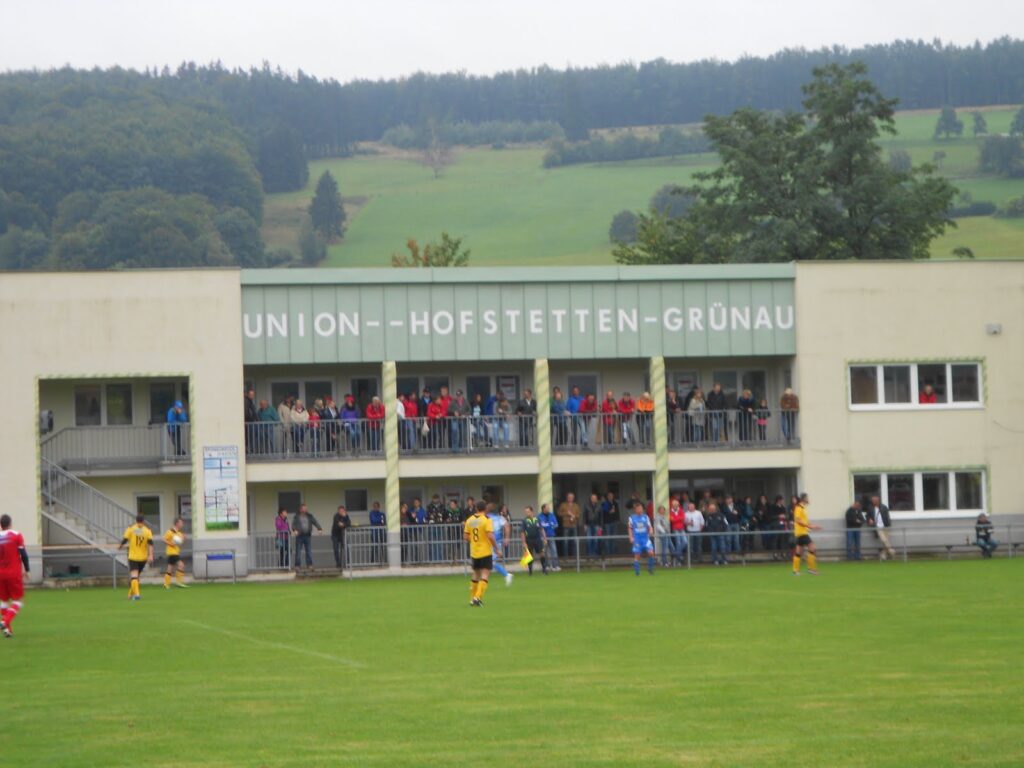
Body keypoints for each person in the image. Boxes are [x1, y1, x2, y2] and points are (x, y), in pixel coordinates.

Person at [0, 514, 30, 638]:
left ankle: (8, 630)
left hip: (1, 574)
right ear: (10, 523)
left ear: (1, 525)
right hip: (13, 573)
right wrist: (27, 570)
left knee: (4, 601)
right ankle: (4, 622)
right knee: (18, 601)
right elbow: (23, 554)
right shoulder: (16, 535)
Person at [463, 501, 496, 606]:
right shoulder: (486, 520)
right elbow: (490, 536)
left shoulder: (469, 520)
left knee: (475, 574)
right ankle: (477, 598)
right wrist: (496, 548)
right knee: (485, 574)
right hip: (485, 551)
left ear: (476, 508)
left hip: (474, 552)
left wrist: (474, 541)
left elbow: (465, 537)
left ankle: (472, 598)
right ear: (485, 508)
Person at [118, 513, 154, 601]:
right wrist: (150, 555)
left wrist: (120, 546)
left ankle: (137, 595)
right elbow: (150, 544)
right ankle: (130, 594)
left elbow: (125, 539)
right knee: (136, 576)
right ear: (143, 521)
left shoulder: (131, 529)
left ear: (136, 520)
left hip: (133, 556)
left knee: (134, 576)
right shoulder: (147, 531)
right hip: (143, 557)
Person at [792, 493, 820, 575]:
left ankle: (795, 571)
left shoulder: (803, 508)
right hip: (801, 532)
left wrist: (813, 526)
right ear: (804, 499)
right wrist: (809, 526)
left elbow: (805, 521)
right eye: (807, 498)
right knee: (812, 547)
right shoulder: (799, 507)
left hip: (801, 532)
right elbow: (798, 520)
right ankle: (811, 569)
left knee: (798, 552)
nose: (808, 499)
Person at [486, 504, 514, 586]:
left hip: (492, 542)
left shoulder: (486, 517)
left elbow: (506, 526)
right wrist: (507, 538)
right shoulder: (500, 518)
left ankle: (506, 575)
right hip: (495, 542)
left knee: (490, 562)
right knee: (489, 562)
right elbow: (507, 526)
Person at [627, 501, 656, 575]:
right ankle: (637, 571)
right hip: (637, 540)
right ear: (635, 510)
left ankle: (650, 569)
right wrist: (631, 537)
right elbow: (630, 528)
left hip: (646, 539)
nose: (640, 510)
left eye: (641, 508)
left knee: (651, 553)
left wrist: (651, 530)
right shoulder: (632, 518)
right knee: (637, 556)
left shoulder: (646, 517)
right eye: (638, 508)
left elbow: (649, 526)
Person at [291, 504, 323, 571]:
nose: (305, 510)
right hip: (299, 536)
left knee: (308, 551)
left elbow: (315, 522)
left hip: (307, 536)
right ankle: (297, 565)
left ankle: (310, 565)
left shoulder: (309, 516)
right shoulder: (296, 516)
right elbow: (293, 524)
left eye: (306, 508)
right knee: (298, 551)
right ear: (300, 509)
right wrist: (294, 530)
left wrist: (319, 528)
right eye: (304, 508)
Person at [866, 495, 896, 561]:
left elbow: (887, 516)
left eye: (874, 501)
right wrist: (869, 520)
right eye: (872, 501)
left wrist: (888, 524)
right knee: (884, 540)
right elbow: (867, 516)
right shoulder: (870, 508)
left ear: (877, 501)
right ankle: (891, 551)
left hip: (885, 526)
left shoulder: (884, 507)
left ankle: (883, 555)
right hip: (877, 527)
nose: (873, 502)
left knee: (885, 541)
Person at [162, 517, 189, 589]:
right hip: (172, 552)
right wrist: (171, 544)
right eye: (181, 523)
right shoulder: (170, 531)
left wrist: (184, 538)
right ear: (177, 523)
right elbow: (164, 539)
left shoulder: (179, 533)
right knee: (181, 565)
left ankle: (166, 584)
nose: (182, 524)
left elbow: (180, 543)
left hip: (176, 552)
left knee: (170, 568)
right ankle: (179, 582)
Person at [520, 506, 547, 575]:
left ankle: (544, 570)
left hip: (537, 539)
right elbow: (522, 532)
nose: (526, 513)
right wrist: (524, 542)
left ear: (532, 512)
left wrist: (544, 538)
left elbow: (541, 529)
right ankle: (530, 571)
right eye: (526, 512)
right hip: (529, 539)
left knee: (542, 553)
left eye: (528, 511)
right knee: (529, 555)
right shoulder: (524, 521)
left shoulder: (537, 519)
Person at [557, 492, 581, 558]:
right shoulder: (563, 505)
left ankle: (574, 557)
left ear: (573, 498)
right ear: (567, 498)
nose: (570, 498)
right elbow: (559, 513)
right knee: (565, 542)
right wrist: (566, 514)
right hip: (566, 525)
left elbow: (579, 514)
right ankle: (566, 557)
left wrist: (574, 516)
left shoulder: (576, 506)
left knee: (574, 541)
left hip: (574, 525)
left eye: (571, 497)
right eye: (569, 497)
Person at [538, 503, 560, 571]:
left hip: (551, 535)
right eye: (547, 508)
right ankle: (546, 565)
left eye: (548, 508)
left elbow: (556, 524)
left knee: (554, 550)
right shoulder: (539, 516)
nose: (548, 509)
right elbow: (540, 525)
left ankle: (555, 566)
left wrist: (550, 525)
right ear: (543, 509)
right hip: (543, 537)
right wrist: (549, 524)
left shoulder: (552, 515)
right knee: (545, 551)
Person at [601, 491, 621, 558]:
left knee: (614, 537)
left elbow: (617, 512)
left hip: (614, 522)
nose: (610, 497)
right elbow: (604, 512)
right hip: (607, 522)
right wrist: (609, 511)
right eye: (609, 496)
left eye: (611, 495)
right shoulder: (605, 503)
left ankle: (613, 553)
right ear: (607, 497)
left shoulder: (615, 503)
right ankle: (608, 553)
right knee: (608, 537)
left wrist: (618, 519)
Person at [331, 505, 351, 569]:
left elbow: (349, 524)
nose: (341, 512)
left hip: (343, 534)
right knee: (336, 549)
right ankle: (338, 563)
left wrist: (344, 519)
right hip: (335, 535)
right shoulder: (336, 516)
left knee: (346, 548)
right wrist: (344, 524)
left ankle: (347, 563)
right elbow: (339, 525)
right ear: (338, 511)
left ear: (344, 511)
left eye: (342, 511)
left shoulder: (346, 516)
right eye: (340, 511)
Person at [668, 497, 687, 566]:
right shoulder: (670, 512)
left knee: (685, 542)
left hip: (682, 528)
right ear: (672, 505)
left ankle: (675, 554)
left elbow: (683, 518)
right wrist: (678, 518)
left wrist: (676, 518)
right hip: (675, 529)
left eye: (677, 505)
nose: (675, 506)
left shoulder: (681, 510)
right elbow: (672, 520)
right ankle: (679, 559)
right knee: (678, 543)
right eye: (674, 505)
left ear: (678, 505)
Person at [584, 492, 602, 559]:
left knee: (596, 540)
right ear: (590, 498)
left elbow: (601, 516)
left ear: (597, 499)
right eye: (593, 498)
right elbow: (584, 515)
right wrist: (585, 524)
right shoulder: (586, 505)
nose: (594, 499)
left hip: (597, 525)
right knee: (589, 540)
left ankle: (595, 556)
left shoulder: (599, 506)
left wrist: (601, 526)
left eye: (595, 498)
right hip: (588, 525)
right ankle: (589, 556)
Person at [244, 389, 258, 454]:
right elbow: (247, 412)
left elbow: (253, 411)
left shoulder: (250, 401)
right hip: (248, 422)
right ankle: (248, 450)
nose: (252, 396)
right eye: (250, 394)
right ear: (247, 394)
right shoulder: (246, 401)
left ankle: (249, 450)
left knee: (251, 437)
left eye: (253, 395)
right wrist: (252, 419)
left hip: (250, 422)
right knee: (248, 437)